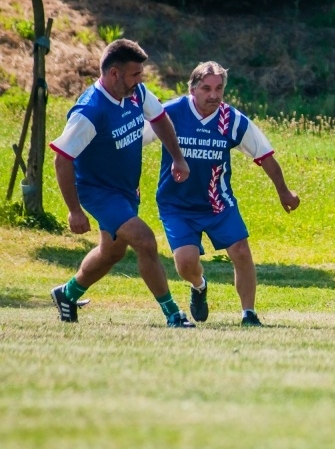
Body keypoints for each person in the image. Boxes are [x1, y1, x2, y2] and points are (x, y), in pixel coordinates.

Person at [49, 39, 195, 328]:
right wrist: (74, 211)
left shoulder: (135, 93)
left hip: (125, 190)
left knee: (112, 252)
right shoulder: (90, 112)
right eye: (135, 74)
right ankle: (173, 314)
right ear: (114, 74)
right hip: (99, 193)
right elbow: (62, 159)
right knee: (145, 241)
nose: (140, 80)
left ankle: (67, 294)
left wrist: (178, 158)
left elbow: (160, 119)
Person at [145, 61, 300, 326]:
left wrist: (284, 192)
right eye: (206, 88)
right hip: (177, 205)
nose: (214, 95)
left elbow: (265, 154)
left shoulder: (232, 119)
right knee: (185, 263)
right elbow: (133, 141)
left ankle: (249, 314)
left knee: (241, 251)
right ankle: (199, 286)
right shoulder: (169, 113)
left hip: (218, 203)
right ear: (192, 88)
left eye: (219, 89)